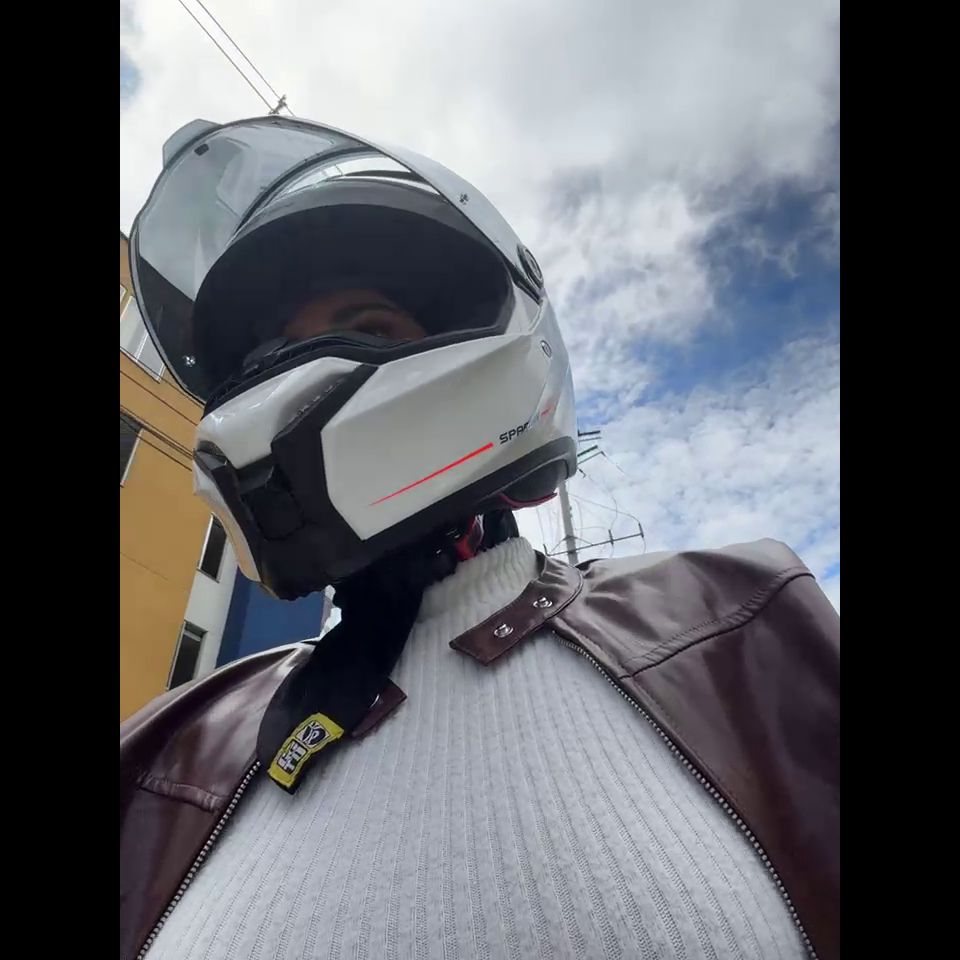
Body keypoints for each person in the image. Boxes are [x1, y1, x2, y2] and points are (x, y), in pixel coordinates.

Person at [120, 116, 839, 960]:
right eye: (268, 356)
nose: (297, 372)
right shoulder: (170, 748)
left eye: (366, 325)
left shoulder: (736, 619)